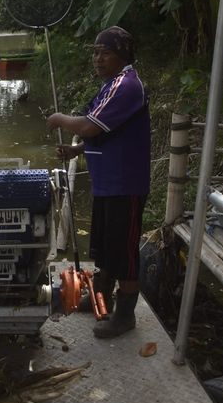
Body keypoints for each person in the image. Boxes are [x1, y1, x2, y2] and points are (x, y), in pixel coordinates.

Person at [45, 26, 150, 339]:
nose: (97, 58)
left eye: (105, 52)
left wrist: (60, 119)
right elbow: (103, 131)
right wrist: (77, 149)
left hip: (124, 184)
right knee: (104, 248)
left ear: (122, 55)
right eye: (95, 52)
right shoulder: (109, 86)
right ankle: (100, 297)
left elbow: (91, 126)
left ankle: (125, 315)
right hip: (106, 184)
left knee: (125, 251)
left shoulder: (127, 84)